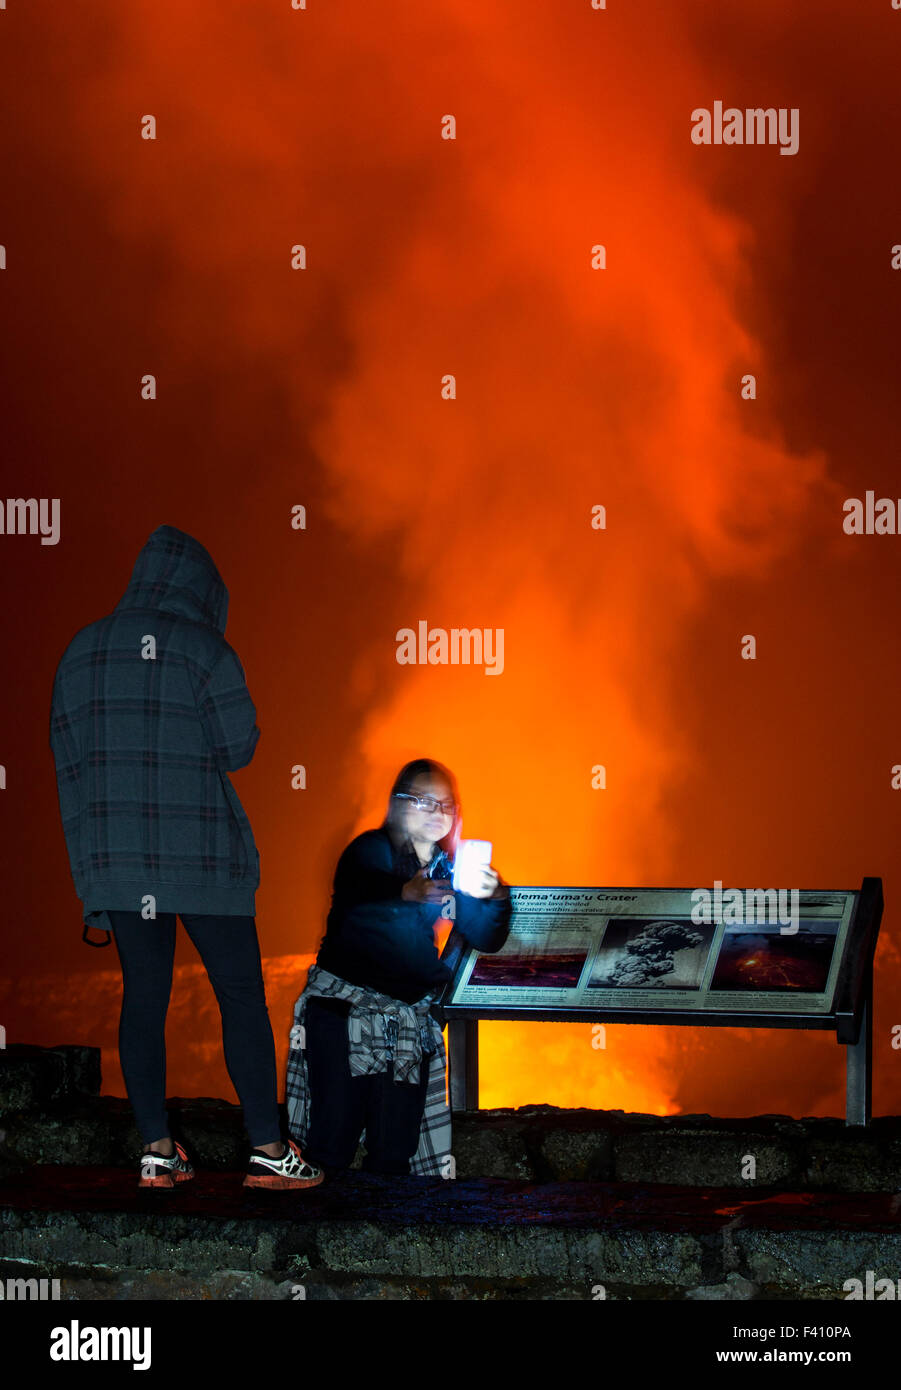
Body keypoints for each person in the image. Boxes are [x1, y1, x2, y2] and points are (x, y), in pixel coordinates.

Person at [48, 524, 322, 1191]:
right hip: (202, 863)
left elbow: (69, 760)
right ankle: (266, 1148)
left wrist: (91, 871)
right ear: (202, 587)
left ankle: (157, 1151)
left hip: (118, 863)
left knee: (143, 997)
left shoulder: (80, 651)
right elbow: (240, 747)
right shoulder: (205, 649)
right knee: (238, 996)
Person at [286, 757, 511, 1176]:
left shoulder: (452, 870)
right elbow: (357, 884)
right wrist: (404, 890)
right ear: (398, 804)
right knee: (332, 1138)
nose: (436, 812)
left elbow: (484, 936)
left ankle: (384, 1235)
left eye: (445, 804)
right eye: (423, 801)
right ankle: (315, 1234)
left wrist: (496, 898)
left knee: (394, 1148)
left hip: (406, 1023)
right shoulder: (371, 850)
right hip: (344, 1017)